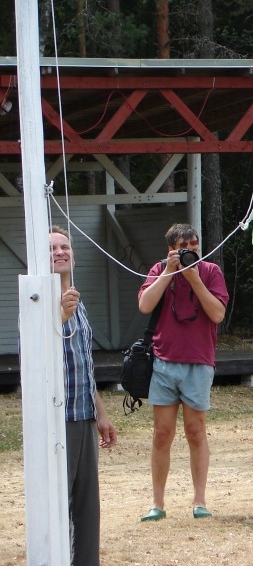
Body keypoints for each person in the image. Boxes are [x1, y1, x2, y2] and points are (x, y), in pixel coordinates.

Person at [138, 223, 228, 522]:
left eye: (194, 244)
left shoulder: (210, 271)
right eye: (184, 246)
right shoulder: (160, 268)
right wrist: (168, 273)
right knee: (162, 433)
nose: (191, 250)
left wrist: (194, 278)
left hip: (199, 361)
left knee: (195, 431)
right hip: (164, 361)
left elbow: (217, 314)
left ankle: (199, 500)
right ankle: (158, 503)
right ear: (171, 249)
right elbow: (145, 305)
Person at [50, 226, 118, 566]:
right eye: (53, 249)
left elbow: (84, 363)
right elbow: (35, 357)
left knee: (88, 504)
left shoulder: (79, 301)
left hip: (84, 416)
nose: (60, 252)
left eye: (65, 247)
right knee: (57, 504)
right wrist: (59, 314)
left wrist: (101, 413)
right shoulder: (38, 304)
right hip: (56, 420)